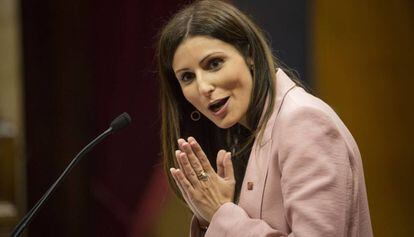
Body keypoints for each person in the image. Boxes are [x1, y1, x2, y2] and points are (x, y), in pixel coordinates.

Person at [156, 0, 373, 236]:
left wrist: (222, 214)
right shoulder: (243, 135)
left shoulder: (304, 121)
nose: (203, 87)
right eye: (187, 77)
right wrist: (211, 218)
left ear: (249, 53)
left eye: (214, 63)